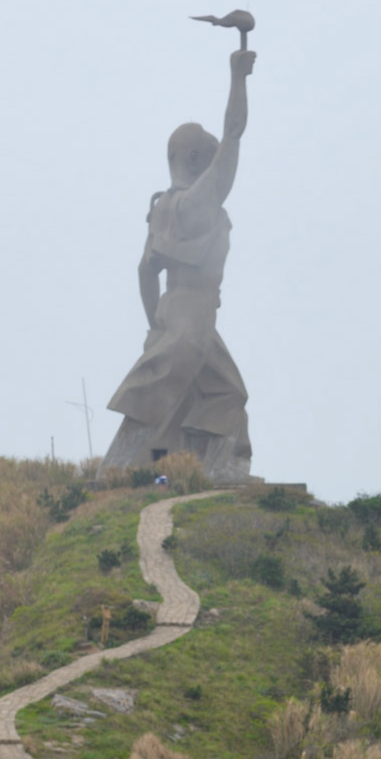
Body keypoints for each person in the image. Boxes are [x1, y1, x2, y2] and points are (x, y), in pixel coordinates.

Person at [101, 44, 255, 482]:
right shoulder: (197, 203)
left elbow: (145, 271)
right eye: (208, 159)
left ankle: (216, 469)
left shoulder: (161, 208)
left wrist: (156, 323)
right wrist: (237, 78)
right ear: (192, 160)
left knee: (226, 390)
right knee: (156, 390)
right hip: (194, 312)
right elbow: (235, 133)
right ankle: (115, 467)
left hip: (176, 310)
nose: (216, 169)